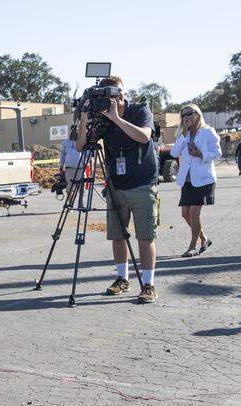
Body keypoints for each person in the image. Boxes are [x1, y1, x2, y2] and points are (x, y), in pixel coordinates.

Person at [99, 76, 161, 303]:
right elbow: (80, 145)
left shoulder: (140, 110)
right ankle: (122, 278)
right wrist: (86, 116)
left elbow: (144, 137)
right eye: (110, 92)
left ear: (124, 91)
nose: (116, 96)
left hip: (143, 183)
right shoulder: (101, 115)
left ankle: (148, 284)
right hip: (116, 185)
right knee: (117, 236)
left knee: (145, 236)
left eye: (118, 91)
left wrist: (116, 118)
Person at [169, 103, 221, 257]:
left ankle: (193, 247)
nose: (186, 117)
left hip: (204, 179)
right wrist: (183, 135)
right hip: (187, 179)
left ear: (197, 114)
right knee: (185, 213)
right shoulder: (182, 134)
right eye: (183, 115)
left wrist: (201, 154)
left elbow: (217, 153)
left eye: (189, 113)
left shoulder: (208, 132)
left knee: (194, 212)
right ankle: (204, 239)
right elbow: (174, 153)